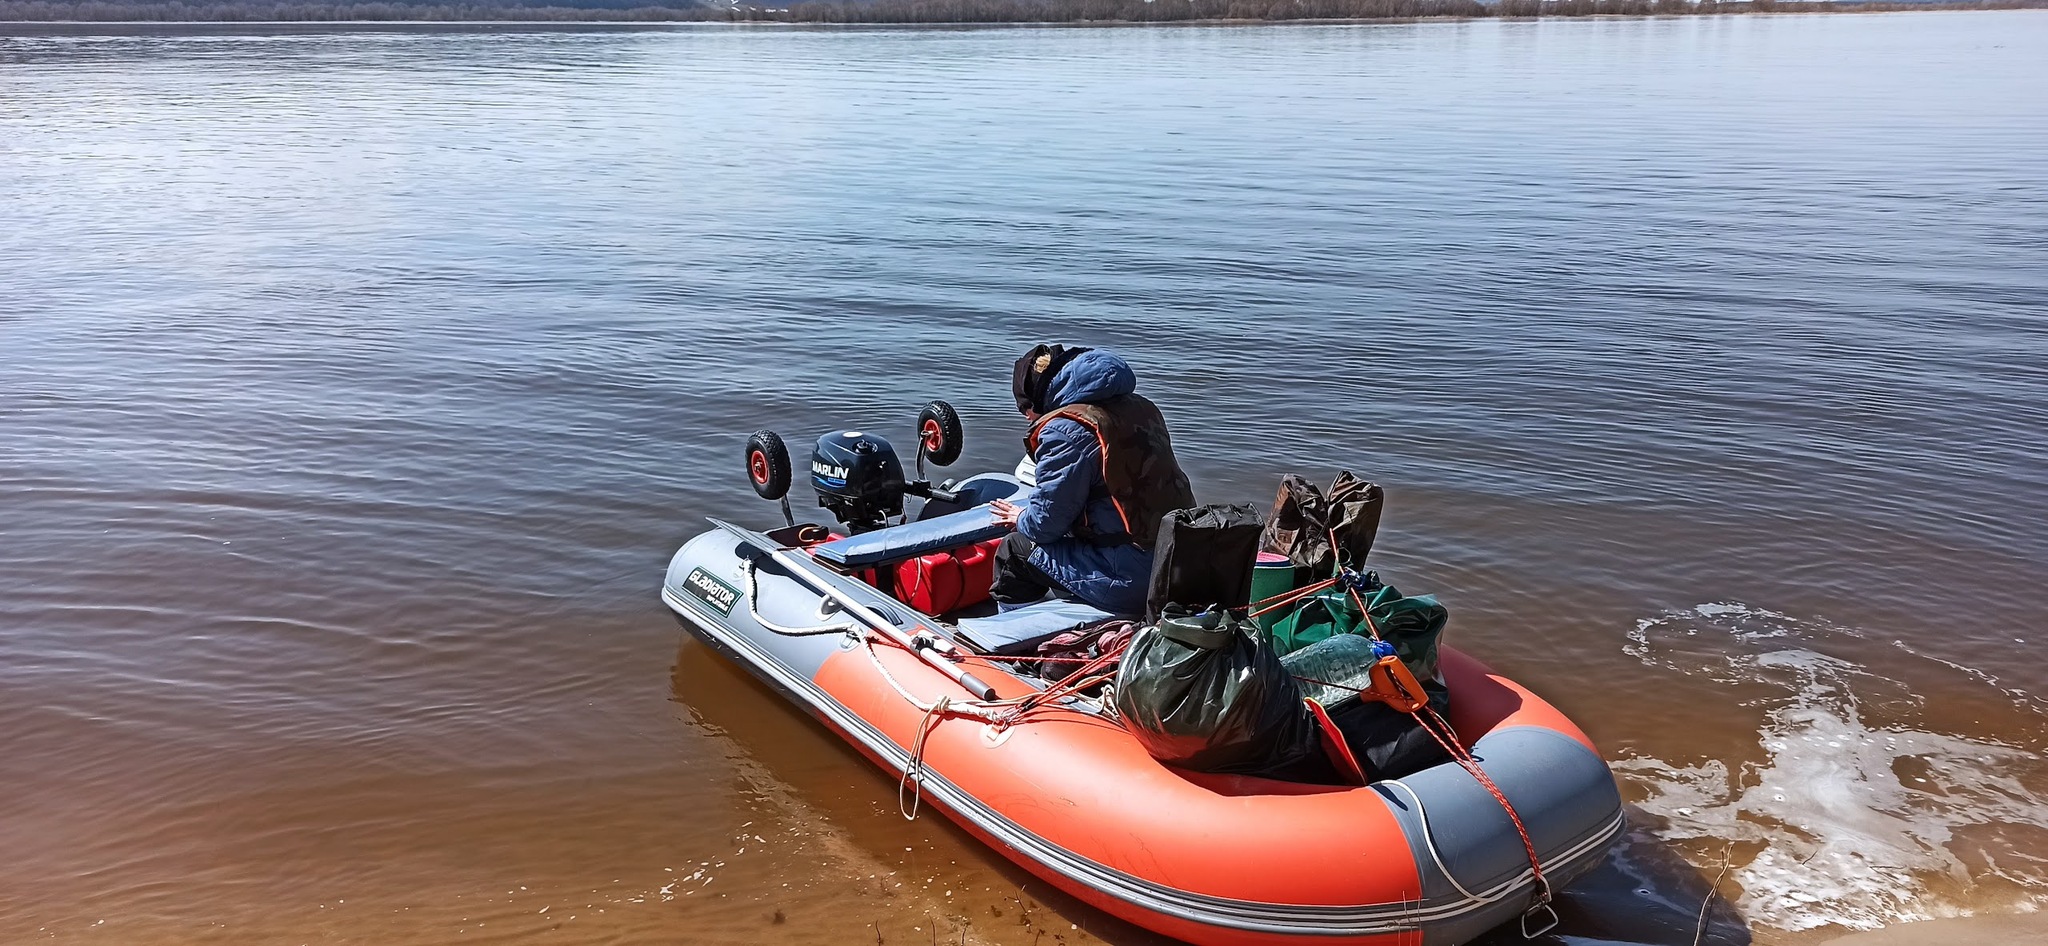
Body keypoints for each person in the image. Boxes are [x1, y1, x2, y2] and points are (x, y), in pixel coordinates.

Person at [988, 345, 1195, 616]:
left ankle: (1014, 642)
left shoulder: (1065, 430)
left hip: (1133, 578)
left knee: (1015, 551)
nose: (1026, 417)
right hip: (1180, 561)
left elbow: (1044, 525)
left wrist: (1020, 517)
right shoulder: (1143, 407)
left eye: (1024, 408)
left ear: (1038, 400)